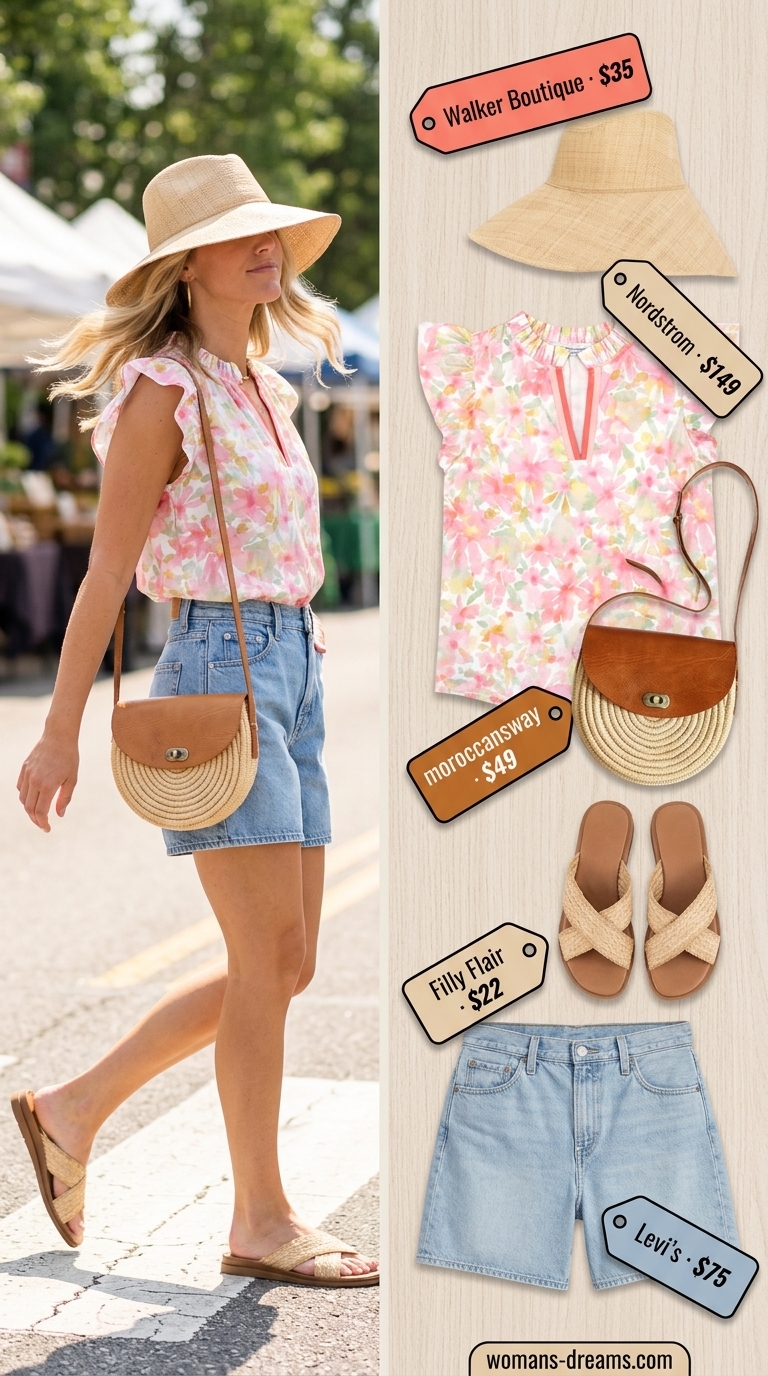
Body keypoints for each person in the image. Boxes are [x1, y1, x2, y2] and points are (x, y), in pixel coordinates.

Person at [13, 154, 378, 1288]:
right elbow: (106, 572)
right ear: (186, 266)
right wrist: (59, 729)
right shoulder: (163, 391)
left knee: (289, 960)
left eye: (272, 231)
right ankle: (260, 1218)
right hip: (220, 662)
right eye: (239, 236)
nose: (267, 248)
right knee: (265, 959)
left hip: (292, 663)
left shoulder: (264, 383)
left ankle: (75, 1106)